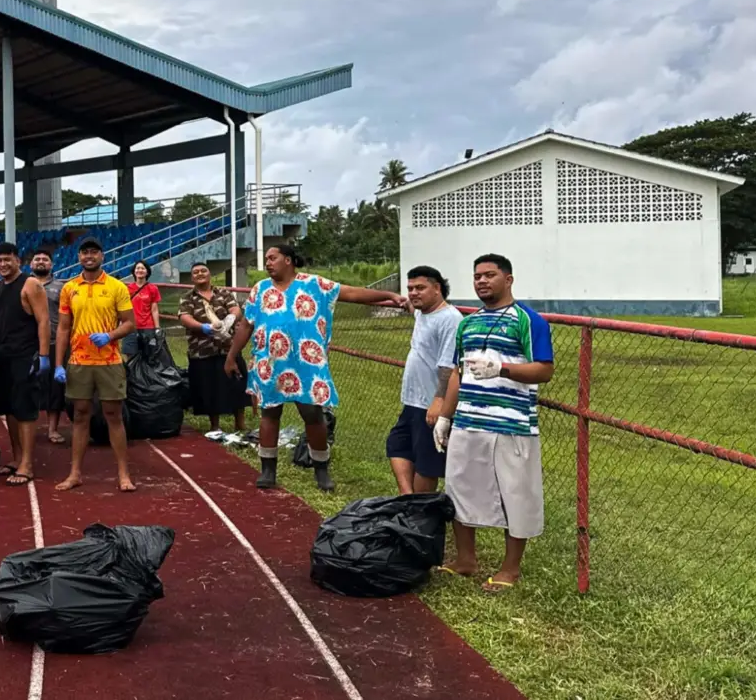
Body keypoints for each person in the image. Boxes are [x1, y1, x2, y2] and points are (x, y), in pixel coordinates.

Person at [225, 244, 407, 491]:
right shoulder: (260, 289)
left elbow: (352, 293)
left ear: (288, 260)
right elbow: (247, 325)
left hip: (306, 363)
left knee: (312, 413)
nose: (267, 263)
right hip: (270, 363)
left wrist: (390, 297)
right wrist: (232, 356)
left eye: (272, 258)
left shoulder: (315, 284)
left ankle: (321, 468)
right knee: (270, 413)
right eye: (266, 258)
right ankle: (268, 469)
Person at [433, 254, 553, 592]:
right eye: (477, 276)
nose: (482, 281)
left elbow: (544, 369)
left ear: (508, 279)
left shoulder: (527, 320)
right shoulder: (467, 323)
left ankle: (510, 569)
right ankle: (466, 559)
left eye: (489, 275)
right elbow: (458, 373)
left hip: (510, 424)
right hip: (469, 421)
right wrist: (445, 416)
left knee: (515, 494)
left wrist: (502, 369)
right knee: (459, 488)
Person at [52, 237, 137, 492]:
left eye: (94, 252)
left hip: (109, 360)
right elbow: (64, 328)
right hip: (79, 360)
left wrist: (109, 336)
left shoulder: (116, 287)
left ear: (102, 256)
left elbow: (129, 323)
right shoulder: (69, 288)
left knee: (113, 415)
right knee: (79, 415)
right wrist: (59, 364)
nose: (89, 256)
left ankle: (123, 474)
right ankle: (75, 473)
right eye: (84, 252)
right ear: (79, 257)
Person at [0, 242, 52, 486]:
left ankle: (28, 465)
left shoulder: (31, 285)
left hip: (26, 355)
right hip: (3, 355)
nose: (2, 264)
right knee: (8, 408)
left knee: (25, 409)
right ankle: (17, 457)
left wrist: (43, 356)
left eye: (7, 259)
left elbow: (44, 321)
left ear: (17, 261)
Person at [386, 265, 461, 494]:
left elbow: (449, 365)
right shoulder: (422, 312)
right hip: (412, 401)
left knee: (426, 463)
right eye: (410, 288)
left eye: (420, 288)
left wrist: (439, 400)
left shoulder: (450, 319)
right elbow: (414, 307)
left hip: (430, 403)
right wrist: (406, 303)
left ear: (437, 288)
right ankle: (408, 501)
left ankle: (421, 513)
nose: (413, 293)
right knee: (397, 445)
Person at [176, 261, 248, 436]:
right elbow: (185, 318)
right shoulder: (187, 297)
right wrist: (203, 327)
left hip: (228, 348)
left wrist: (231, 318)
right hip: (202, 350)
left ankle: (240, 424)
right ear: (192, 277)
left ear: (209, 274)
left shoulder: (223, 293)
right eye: (196, 272)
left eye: (203, 271)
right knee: (209, 388)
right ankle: (214, 425)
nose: (200, 274)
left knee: (237, 384)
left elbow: (235, 309)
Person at [29, 249, 68, 445]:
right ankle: (29, 428)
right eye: (38, 259)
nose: (41, 262)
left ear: (51, 264)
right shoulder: (24, 286)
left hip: (54, 342)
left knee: (55, 389)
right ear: (31, 264)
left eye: (45, 259)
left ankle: (53, 429)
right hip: (29, 344)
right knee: (29, 387)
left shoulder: (62, 287)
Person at [123, 260, 161, 357]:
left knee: (149, 355)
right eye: (138, 268)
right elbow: (124, 308)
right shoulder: (127, 289)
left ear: (147, 272)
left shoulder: (153, 288)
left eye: (143, 268)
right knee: (131, 356)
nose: (140, 270)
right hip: (130, 327)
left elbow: (154, 309)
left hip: (148, 327)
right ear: (134, 271)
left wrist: (157, 328)